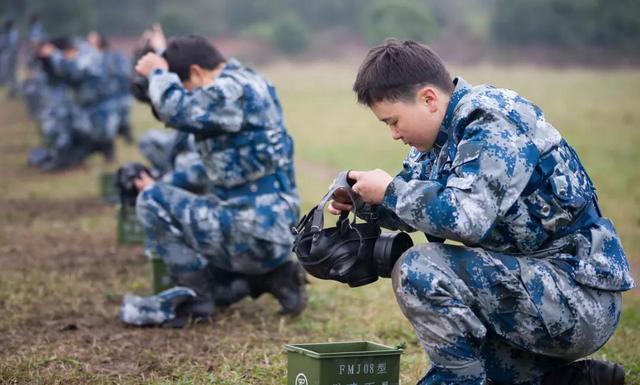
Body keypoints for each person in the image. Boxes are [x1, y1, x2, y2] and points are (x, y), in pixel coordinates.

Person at [329, 39, 634, 385]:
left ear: (429, 99)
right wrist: (363, 202)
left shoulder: (490, 120)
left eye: (393, 121)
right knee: (487, 369)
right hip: (535, 291)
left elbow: (466, 218)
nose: (395, 134)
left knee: (420, 268)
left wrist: (391, 191)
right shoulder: (437, 139)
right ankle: (568, 379)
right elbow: (416, 205)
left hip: (576, 298)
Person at [120, 34, 307, 327]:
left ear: (196, 72)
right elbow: (210, 169)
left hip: (252, 232)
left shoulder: (231, 90)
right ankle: (276, 276)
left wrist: (158, 72)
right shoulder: (250, 82)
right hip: (274, 235)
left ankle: (197, 299)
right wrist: (161, 181)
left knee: (150, 201)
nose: (191, 96)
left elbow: (179, 110)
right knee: (160, 193)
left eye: (187, 88)